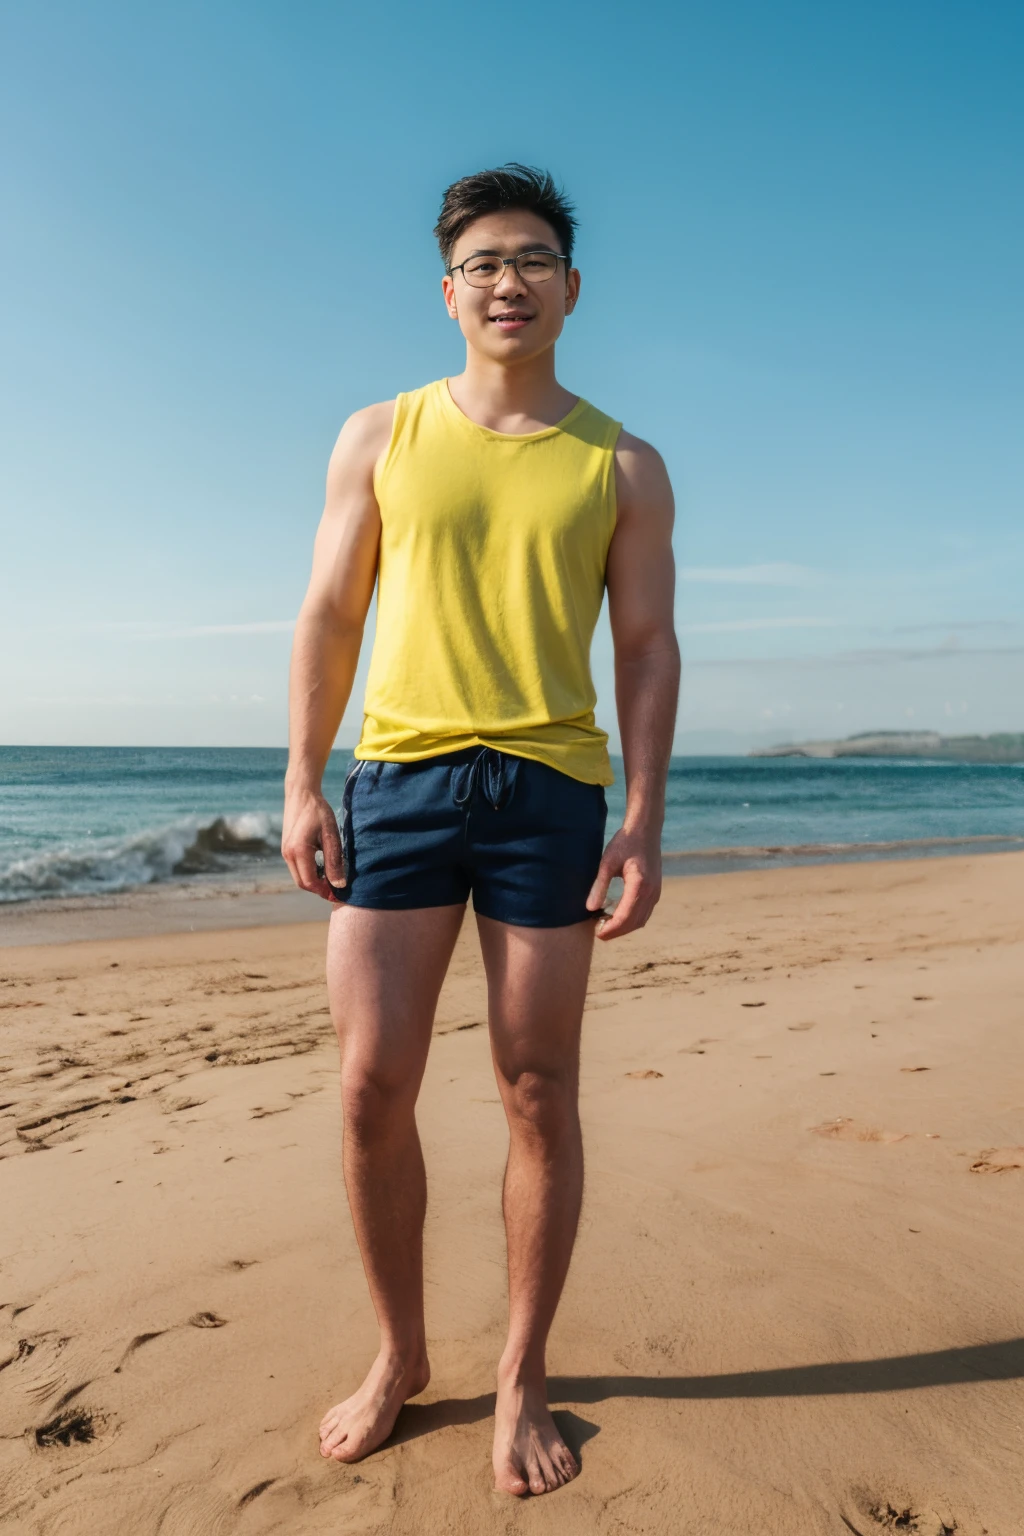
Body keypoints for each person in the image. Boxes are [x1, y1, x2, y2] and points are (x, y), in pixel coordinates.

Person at [282, 163, 679, 1498]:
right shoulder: (380, 434)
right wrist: (299, 780)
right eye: (484, 263)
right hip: (396, 781)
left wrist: (646, 818)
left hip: (548, 797)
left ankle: (522, 1374)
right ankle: (400, 1356)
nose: (509, 281)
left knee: (535, 1088)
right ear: (448, 290)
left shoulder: (621, 460)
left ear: (573, 288)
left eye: (534, 260)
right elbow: (331, 618)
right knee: (368, 1086)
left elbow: (646, 647)